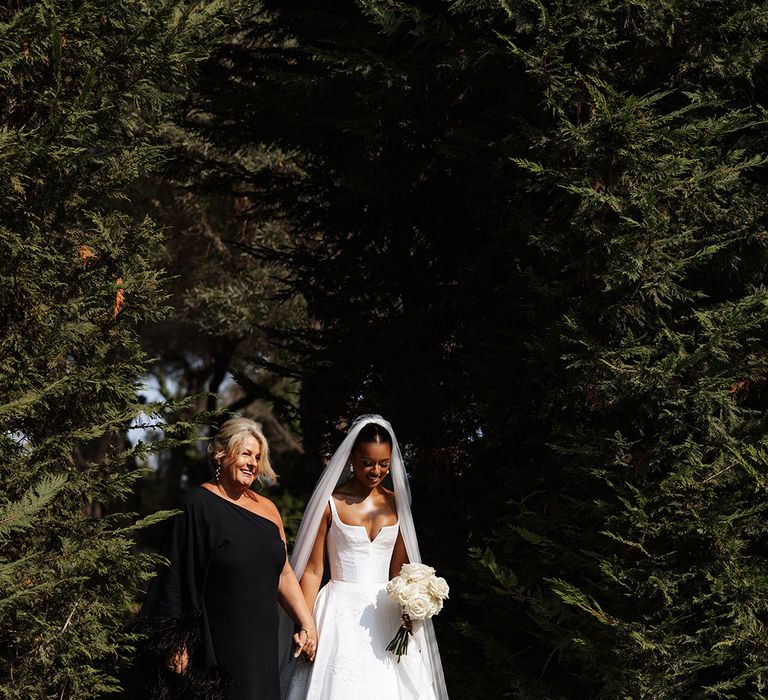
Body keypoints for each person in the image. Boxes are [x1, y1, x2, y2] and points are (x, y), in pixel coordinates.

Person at [133, 417, 317, 700]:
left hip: (261, 644)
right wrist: (175, 641)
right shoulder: (196, 506)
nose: (253, 464)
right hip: (217, 643)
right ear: (220, 453)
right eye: (245, 454)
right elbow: (174, 575)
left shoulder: (268, 510)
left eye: (257, 457)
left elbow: (284, 573)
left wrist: (306, 622)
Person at [280, 414, 448, 700]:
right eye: (367, 462)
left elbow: (401, 570)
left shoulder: (398, 503)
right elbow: (312, 570)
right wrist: (305, 625)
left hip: (386, 613)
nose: (375, 470)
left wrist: (410, 607)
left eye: (384, 464)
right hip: (338, 615)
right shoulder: (330, 503)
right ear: (351, 458)